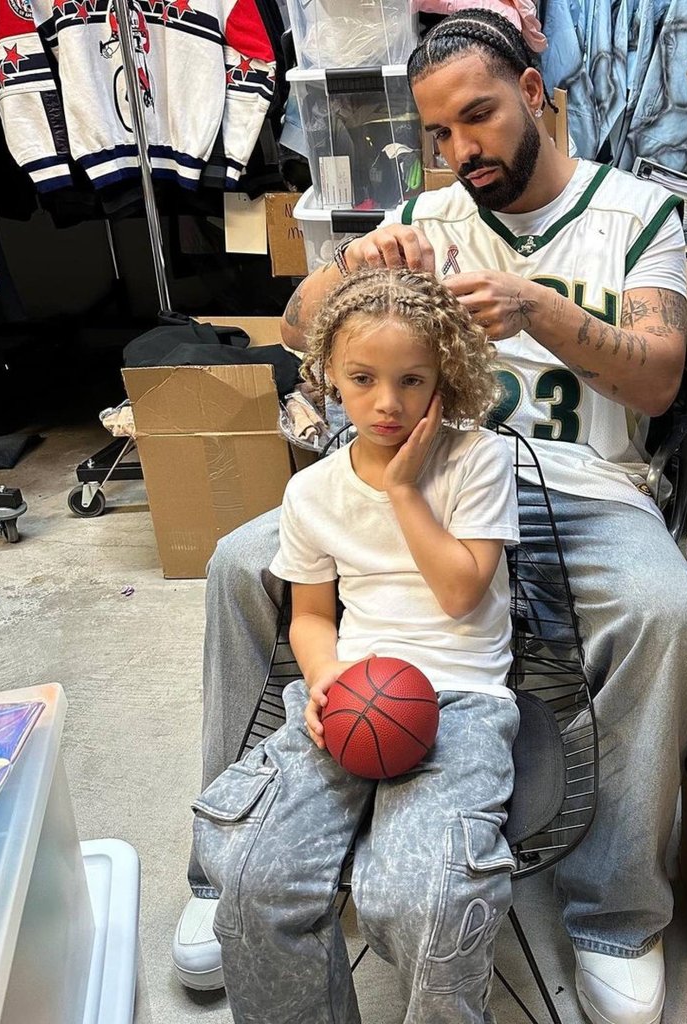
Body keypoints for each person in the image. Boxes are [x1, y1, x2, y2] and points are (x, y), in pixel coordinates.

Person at [172, 11, 687, 1024]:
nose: (462, 152)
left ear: (534, 95)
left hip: (579, 481)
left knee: (660, 611)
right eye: (439, 136)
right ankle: (226, 867)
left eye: (479, 117)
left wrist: (539, 309)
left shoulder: (635, 214)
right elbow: (302, 330)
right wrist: (350, 267)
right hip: (417, 463)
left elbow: (657, 380)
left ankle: (613, 910)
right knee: (242, 565)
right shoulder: (427, 214)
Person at [192, 267, 521, 1023]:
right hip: (353, 689)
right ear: (328, 377)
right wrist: (327, 676)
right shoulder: (311, 492)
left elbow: (462, 592)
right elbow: (310, 616)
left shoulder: (475, 461)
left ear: (448, 377)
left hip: (461, 698)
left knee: (424, 894)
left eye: (412, 380)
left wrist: (405, 491)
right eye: (363, 379)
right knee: (254, 873)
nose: (387, 403)